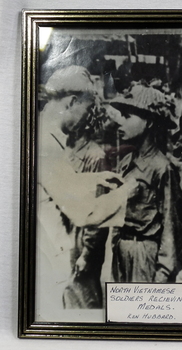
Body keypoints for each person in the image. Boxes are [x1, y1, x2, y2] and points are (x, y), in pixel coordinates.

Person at [37, 65, 128, 312]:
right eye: (86, 109)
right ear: (72, 102)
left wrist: (94, 179)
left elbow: (57, 183)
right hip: (47, 255)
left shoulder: (38, 130)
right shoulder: (46, 141)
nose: (86, 118)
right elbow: (83, 212)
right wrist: (128, 194)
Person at [109, 83, 182, 283]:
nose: (120, 122)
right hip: (122, 253)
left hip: (146, 255)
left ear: (150, 122)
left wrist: (163, 272)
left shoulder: (162, 168)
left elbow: (173, 226)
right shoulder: (125, 163)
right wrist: (116, 244)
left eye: (128, 117)